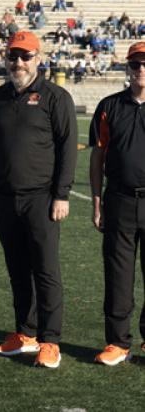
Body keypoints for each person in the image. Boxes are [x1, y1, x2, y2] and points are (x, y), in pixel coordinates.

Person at [0, 31, 77, 368]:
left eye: (25, 56)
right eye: (13, 56)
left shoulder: (55, 97)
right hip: (7, 200)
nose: (18, 63)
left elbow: (67, 149)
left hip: (42, 198)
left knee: (46, 270)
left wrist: (61, 194)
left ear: (39, 58)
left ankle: (50, 340)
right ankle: (26, 333)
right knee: (17, 270)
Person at [89, 41, 145, 366]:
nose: (140, 70)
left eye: (144, 64)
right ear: (127, 68)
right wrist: (96, 202)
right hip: (119, 200)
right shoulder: (109, 105)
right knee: (117, 275)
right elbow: (97, 158)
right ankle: (117, 342)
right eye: (135, 65)